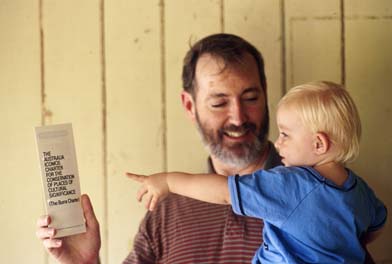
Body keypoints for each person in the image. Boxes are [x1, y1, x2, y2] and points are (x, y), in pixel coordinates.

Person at [36, 33, 282, 263]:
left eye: (250, 98)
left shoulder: (311, 190)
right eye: (219, 103)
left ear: (265, 92)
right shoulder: (166, 210)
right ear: (189, 106)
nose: (238, 118)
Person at [128, 81, 387, 263]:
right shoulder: (360, 190)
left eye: (285, 134)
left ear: (319, 144)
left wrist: (169, 181)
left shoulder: (291, 185)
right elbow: (375, 227)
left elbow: (225, 192)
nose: (279, 141)